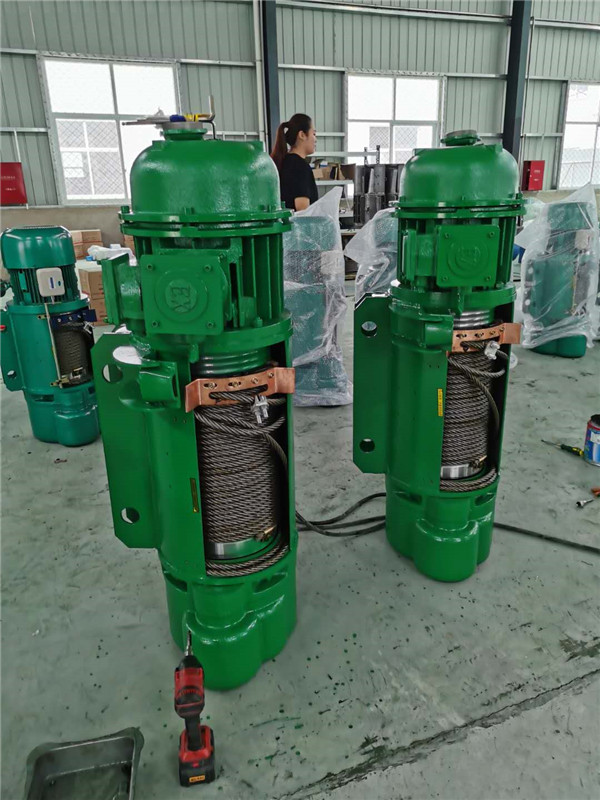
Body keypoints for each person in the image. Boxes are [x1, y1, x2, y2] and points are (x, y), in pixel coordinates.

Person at [270, 114, 318, 211]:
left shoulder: (283, 161)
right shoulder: (300, 167)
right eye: (313, 134)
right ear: (302, 135)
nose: (315, 139)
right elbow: (303, 210)